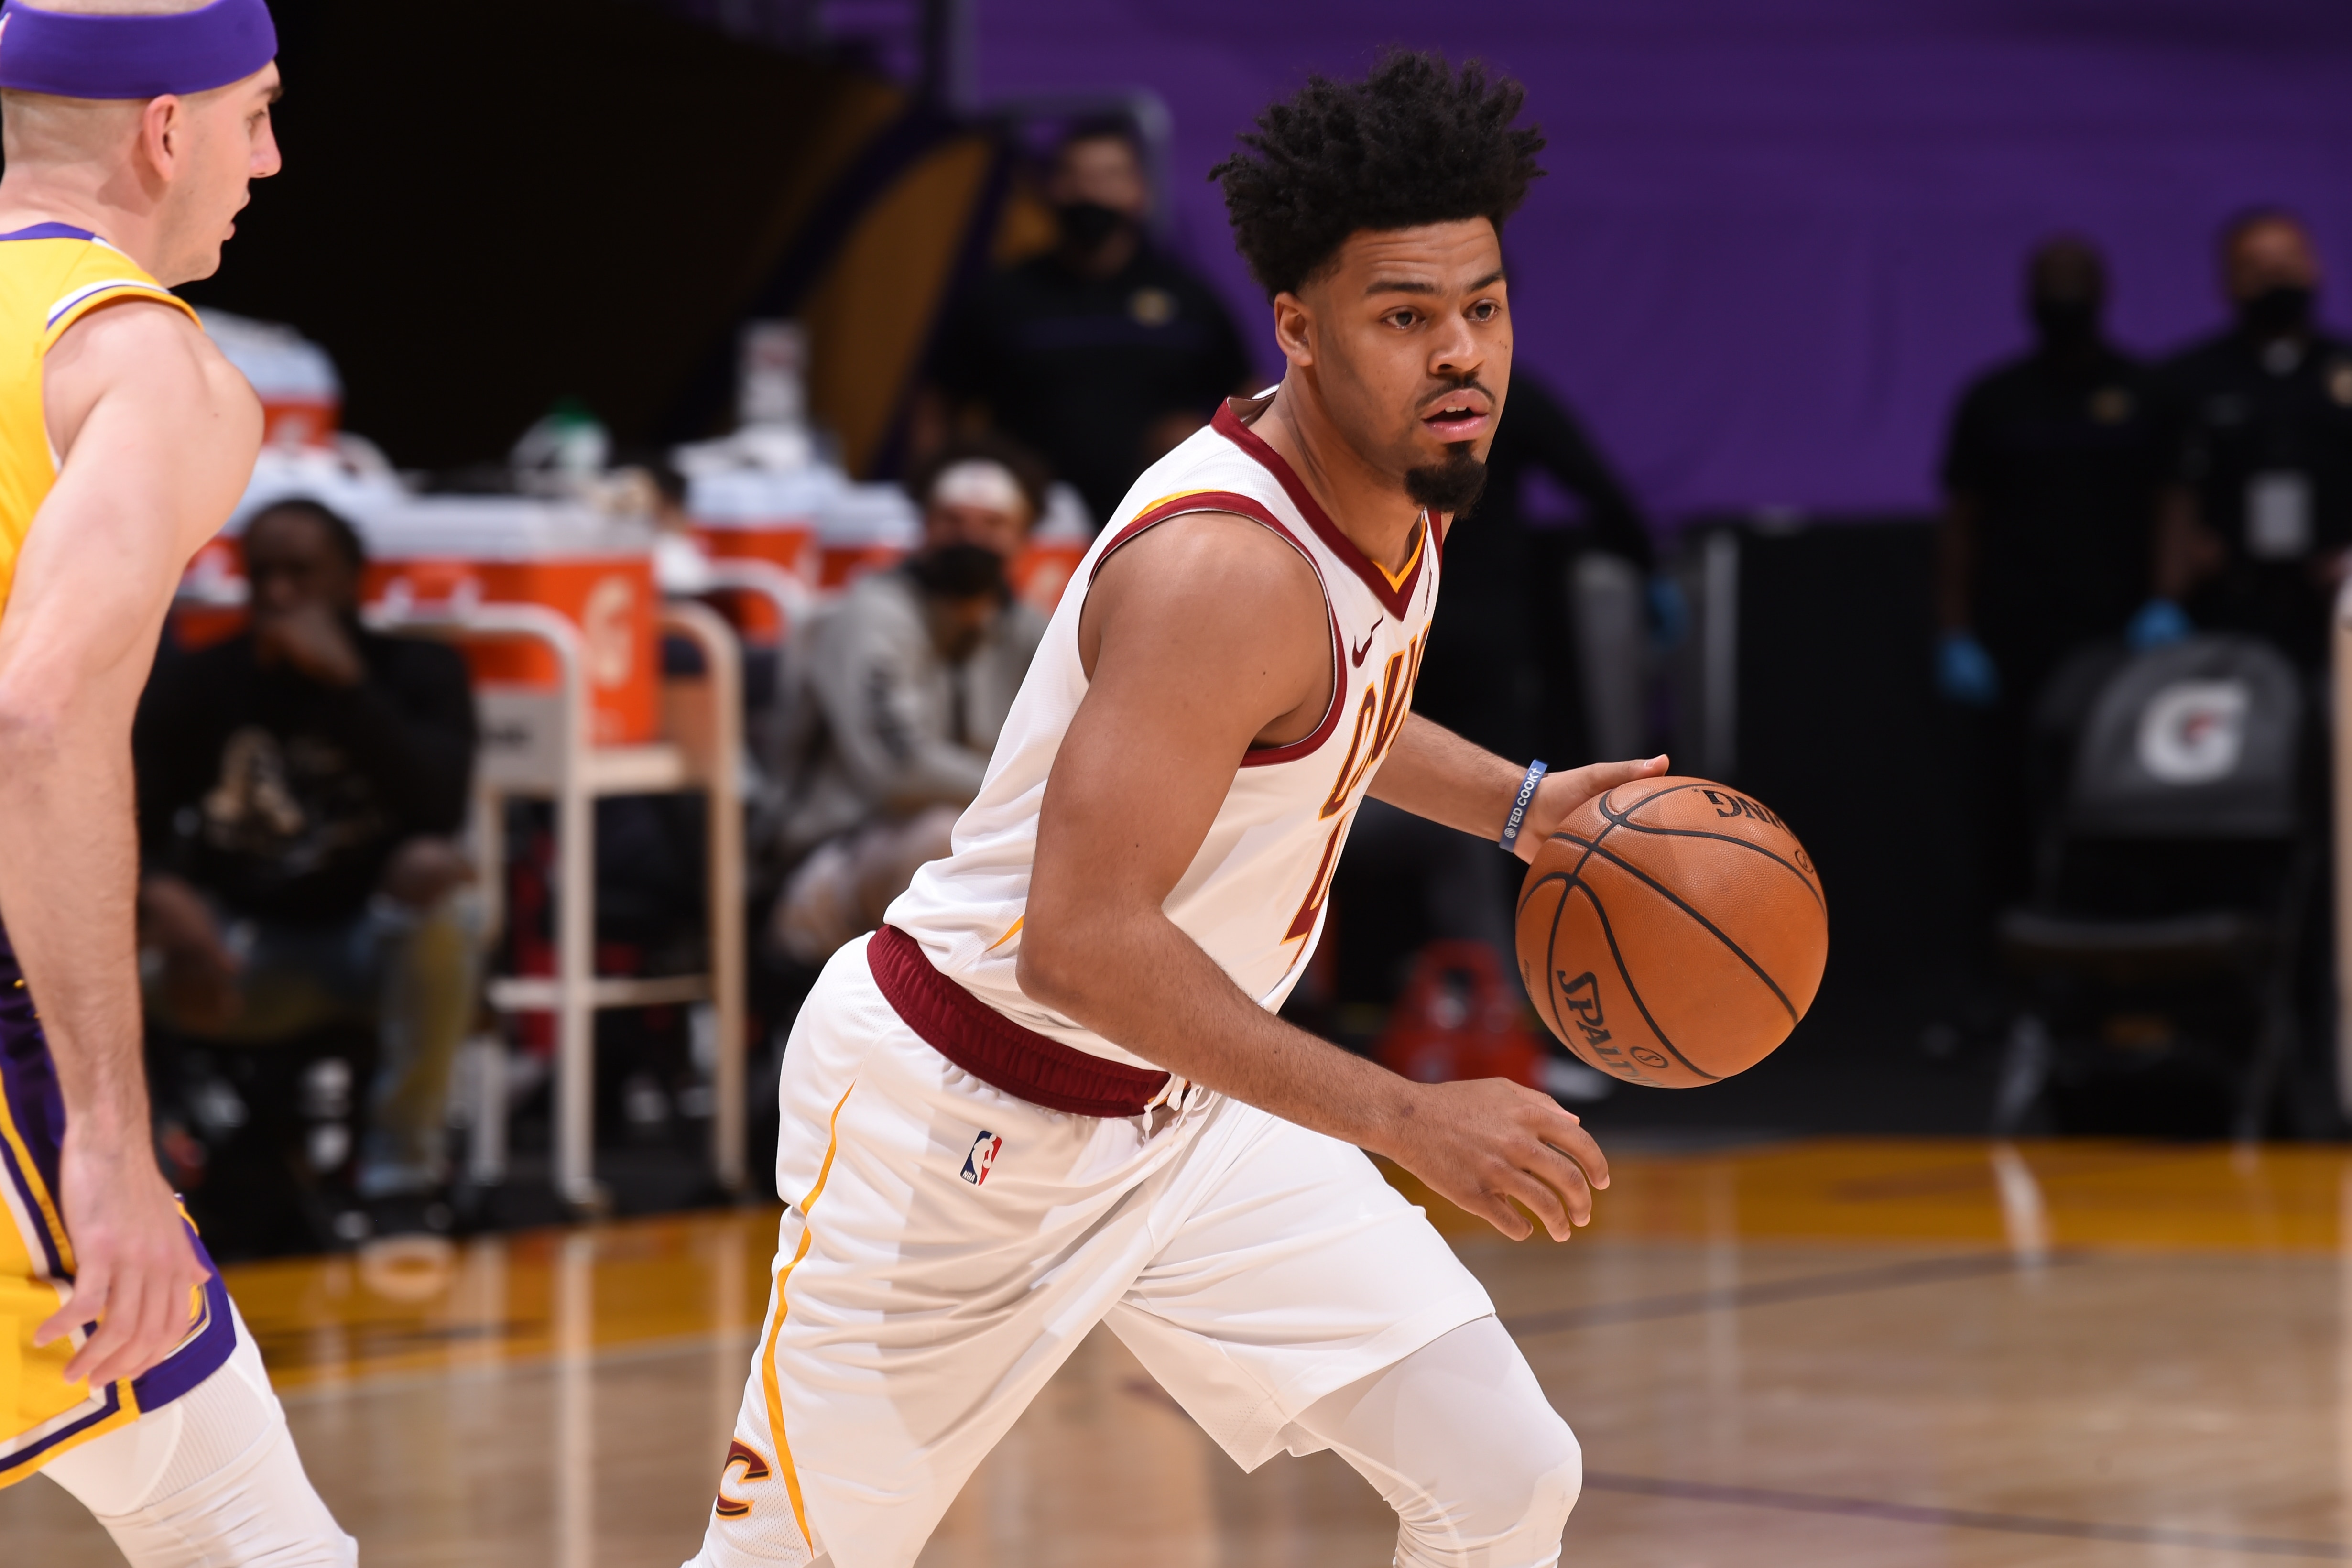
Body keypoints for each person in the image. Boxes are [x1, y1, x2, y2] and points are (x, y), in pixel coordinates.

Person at [689, 53, 1657, 1568]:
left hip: (1185, 1112)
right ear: (1298, 328)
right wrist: (1404, 1117)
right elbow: (1081, 941)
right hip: (967, 1116)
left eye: (1481, 304)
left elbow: (1324, 713)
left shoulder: (1392, 483)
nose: (1460, 353)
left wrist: (1520, 806)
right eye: (1404, 316)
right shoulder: (1225, 571)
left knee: (1502, 1473)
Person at [0, 0, 353, 1559]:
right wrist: (108, 1142)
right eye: (257, 114)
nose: (267, 160)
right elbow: (45, 719)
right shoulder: (151, 368)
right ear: (166, 128)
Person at [134, 499, 480, 1220]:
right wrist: (162, 896)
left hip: (371, 949)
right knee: (82, 945)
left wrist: (349, 686)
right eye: (263, 574)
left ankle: (402, 1178)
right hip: (237, 953)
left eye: (302, 573)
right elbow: (123, 820)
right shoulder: (202, 682)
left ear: (353, 581)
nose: (281, 594)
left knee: (446, 895)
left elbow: (439, 807)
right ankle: (144, 1171)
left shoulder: (418, 669)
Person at [1934, 236, 2171, 917]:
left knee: (2123, 805)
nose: (2064, 296)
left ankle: (2123, 962)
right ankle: (2009, 985)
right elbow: (1961, 521)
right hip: (2013, 641)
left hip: (2119, 636)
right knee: (2008, 807)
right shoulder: (1994, 399)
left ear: (2104, 291)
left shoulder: (2144, 393)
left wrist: (2164, 602)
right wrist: (1954, 630)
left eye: (2076, 281)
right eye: (2050, 282)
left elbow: (2173, 504)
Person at [766, 443, 1049, 962]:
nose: (970, 537)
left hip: (983, 843)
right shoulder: (870, 613)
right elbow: (902, 770)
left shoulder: (1034, 630)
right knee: (943, 840)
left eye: (993, 523)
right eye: (952, 519)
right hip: (833, 859)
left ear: (1024, 537)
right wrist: (1041, 799)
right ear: (924, 524)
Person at [926, 118, 1253, 527]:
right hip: (1029, 525)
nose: (1089, 193)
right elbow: (938, 403)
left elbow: (1250, 399)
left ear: (1138, 190)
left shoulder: (1188, 300)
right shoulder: (1003, 297)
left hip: (1158, 517)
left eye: (1107, 177)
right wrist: (935, 487)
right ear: (1051, 187)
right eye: (1074, 176)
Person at [2143, 209, 2352, 671]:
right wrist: (2174, 576)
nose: (2275, 274)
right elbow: (2163, 487)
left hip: (2338, 602)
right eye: (2256, 265)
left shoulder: (2345, 369)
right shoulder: (2186, 380)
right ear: (2228, 281)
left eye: (2288, 260)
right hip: (2226, 605)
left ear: (2316, 267)